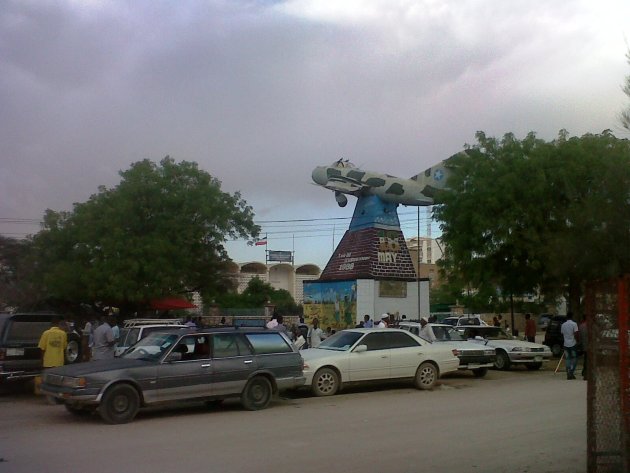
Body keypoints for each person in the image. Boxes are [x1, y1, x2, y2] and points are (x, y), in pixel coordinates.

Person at [560, 312, 580, 380]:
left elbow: (562, 334)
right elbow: (576, 333)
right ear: (572, 316)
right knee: (574, 358)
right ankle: (571, 371)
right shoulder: (574, 324)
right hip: (573, 343)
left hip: (566, 344)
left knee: (568, 358)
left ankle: (568, 371)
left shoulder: (563, 325)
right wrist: (578, 341)